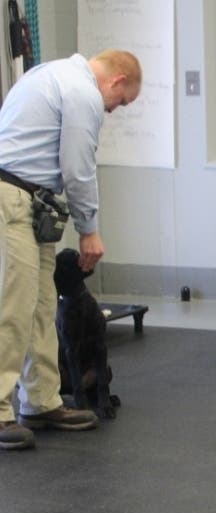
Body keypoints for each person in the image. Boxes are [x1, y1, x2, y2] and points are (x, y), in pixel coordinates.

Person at [0, 49, 142, 452]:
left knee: (42, 306)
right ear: (116, 82)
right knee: (12, 309)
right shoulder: (82, 92)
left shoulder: (51, 73)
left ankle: (42, 400)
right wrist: (88, 229)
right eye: (122, 101)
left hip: (31, 200)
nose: (114, 110)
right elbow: (78, 166)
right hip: (11, 199)